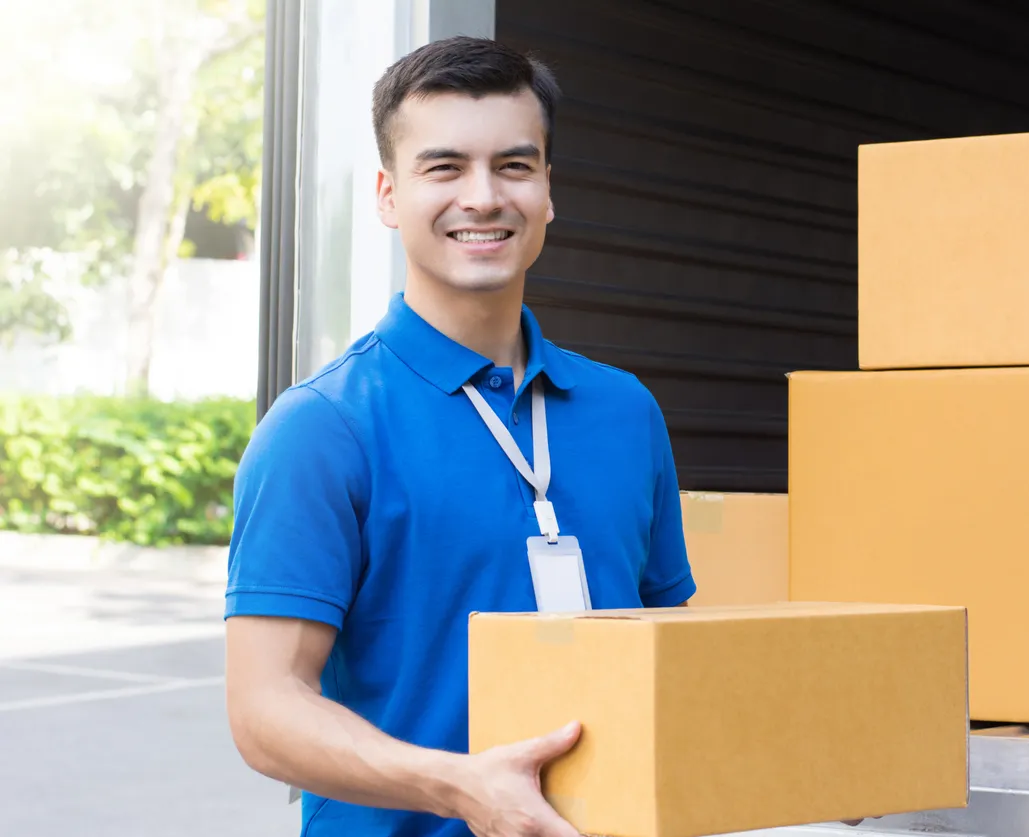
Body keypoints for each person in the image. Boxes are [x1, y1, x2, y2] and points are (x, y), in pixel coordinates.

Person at [223, 36, 695, 837]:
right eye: (444, 167)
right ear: (387, 194)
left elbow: (672, 652)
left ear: (549, 190)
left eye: (514, 165)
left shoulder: (626, 410)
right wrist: (456, 786)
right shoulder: (321, 428)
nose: (483, 196)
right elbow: (266, 708)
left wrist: (788, 755)